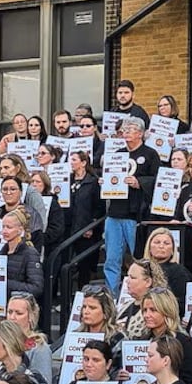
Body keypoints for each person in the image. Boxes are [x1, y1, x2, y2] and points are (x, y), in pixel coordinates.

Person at [103, 118, 160, 292]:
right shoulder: (117, 154)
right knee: (111, 259)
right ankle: (111, 295)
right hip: (114, 214)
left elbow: (159, 180)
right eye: (124, 129)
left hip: (136, 215)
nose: (126, 132)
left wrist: (139, 182)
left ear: (141, 133)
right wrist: (104, 181)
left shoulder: (151, 154)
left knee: (139, 258)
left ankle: (142, 293)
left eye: (131, 129)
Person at [6, 293, 54, 384]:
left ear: (30, 317)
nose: (12, 317)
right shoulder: (0, 343)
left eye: (19, 313)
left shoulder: (39, 349)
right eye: (10, 312)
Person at [67, 151, 103, 286]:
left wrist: (92, 226)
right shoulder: (67, 180)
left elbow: (99, 207)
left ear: (83, 163)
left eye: (75, 160)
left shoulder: (92, 182)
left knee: (84, 266)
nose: (71, 162)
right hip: (68, 227)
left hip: (85, 229)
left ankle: (82, 293)